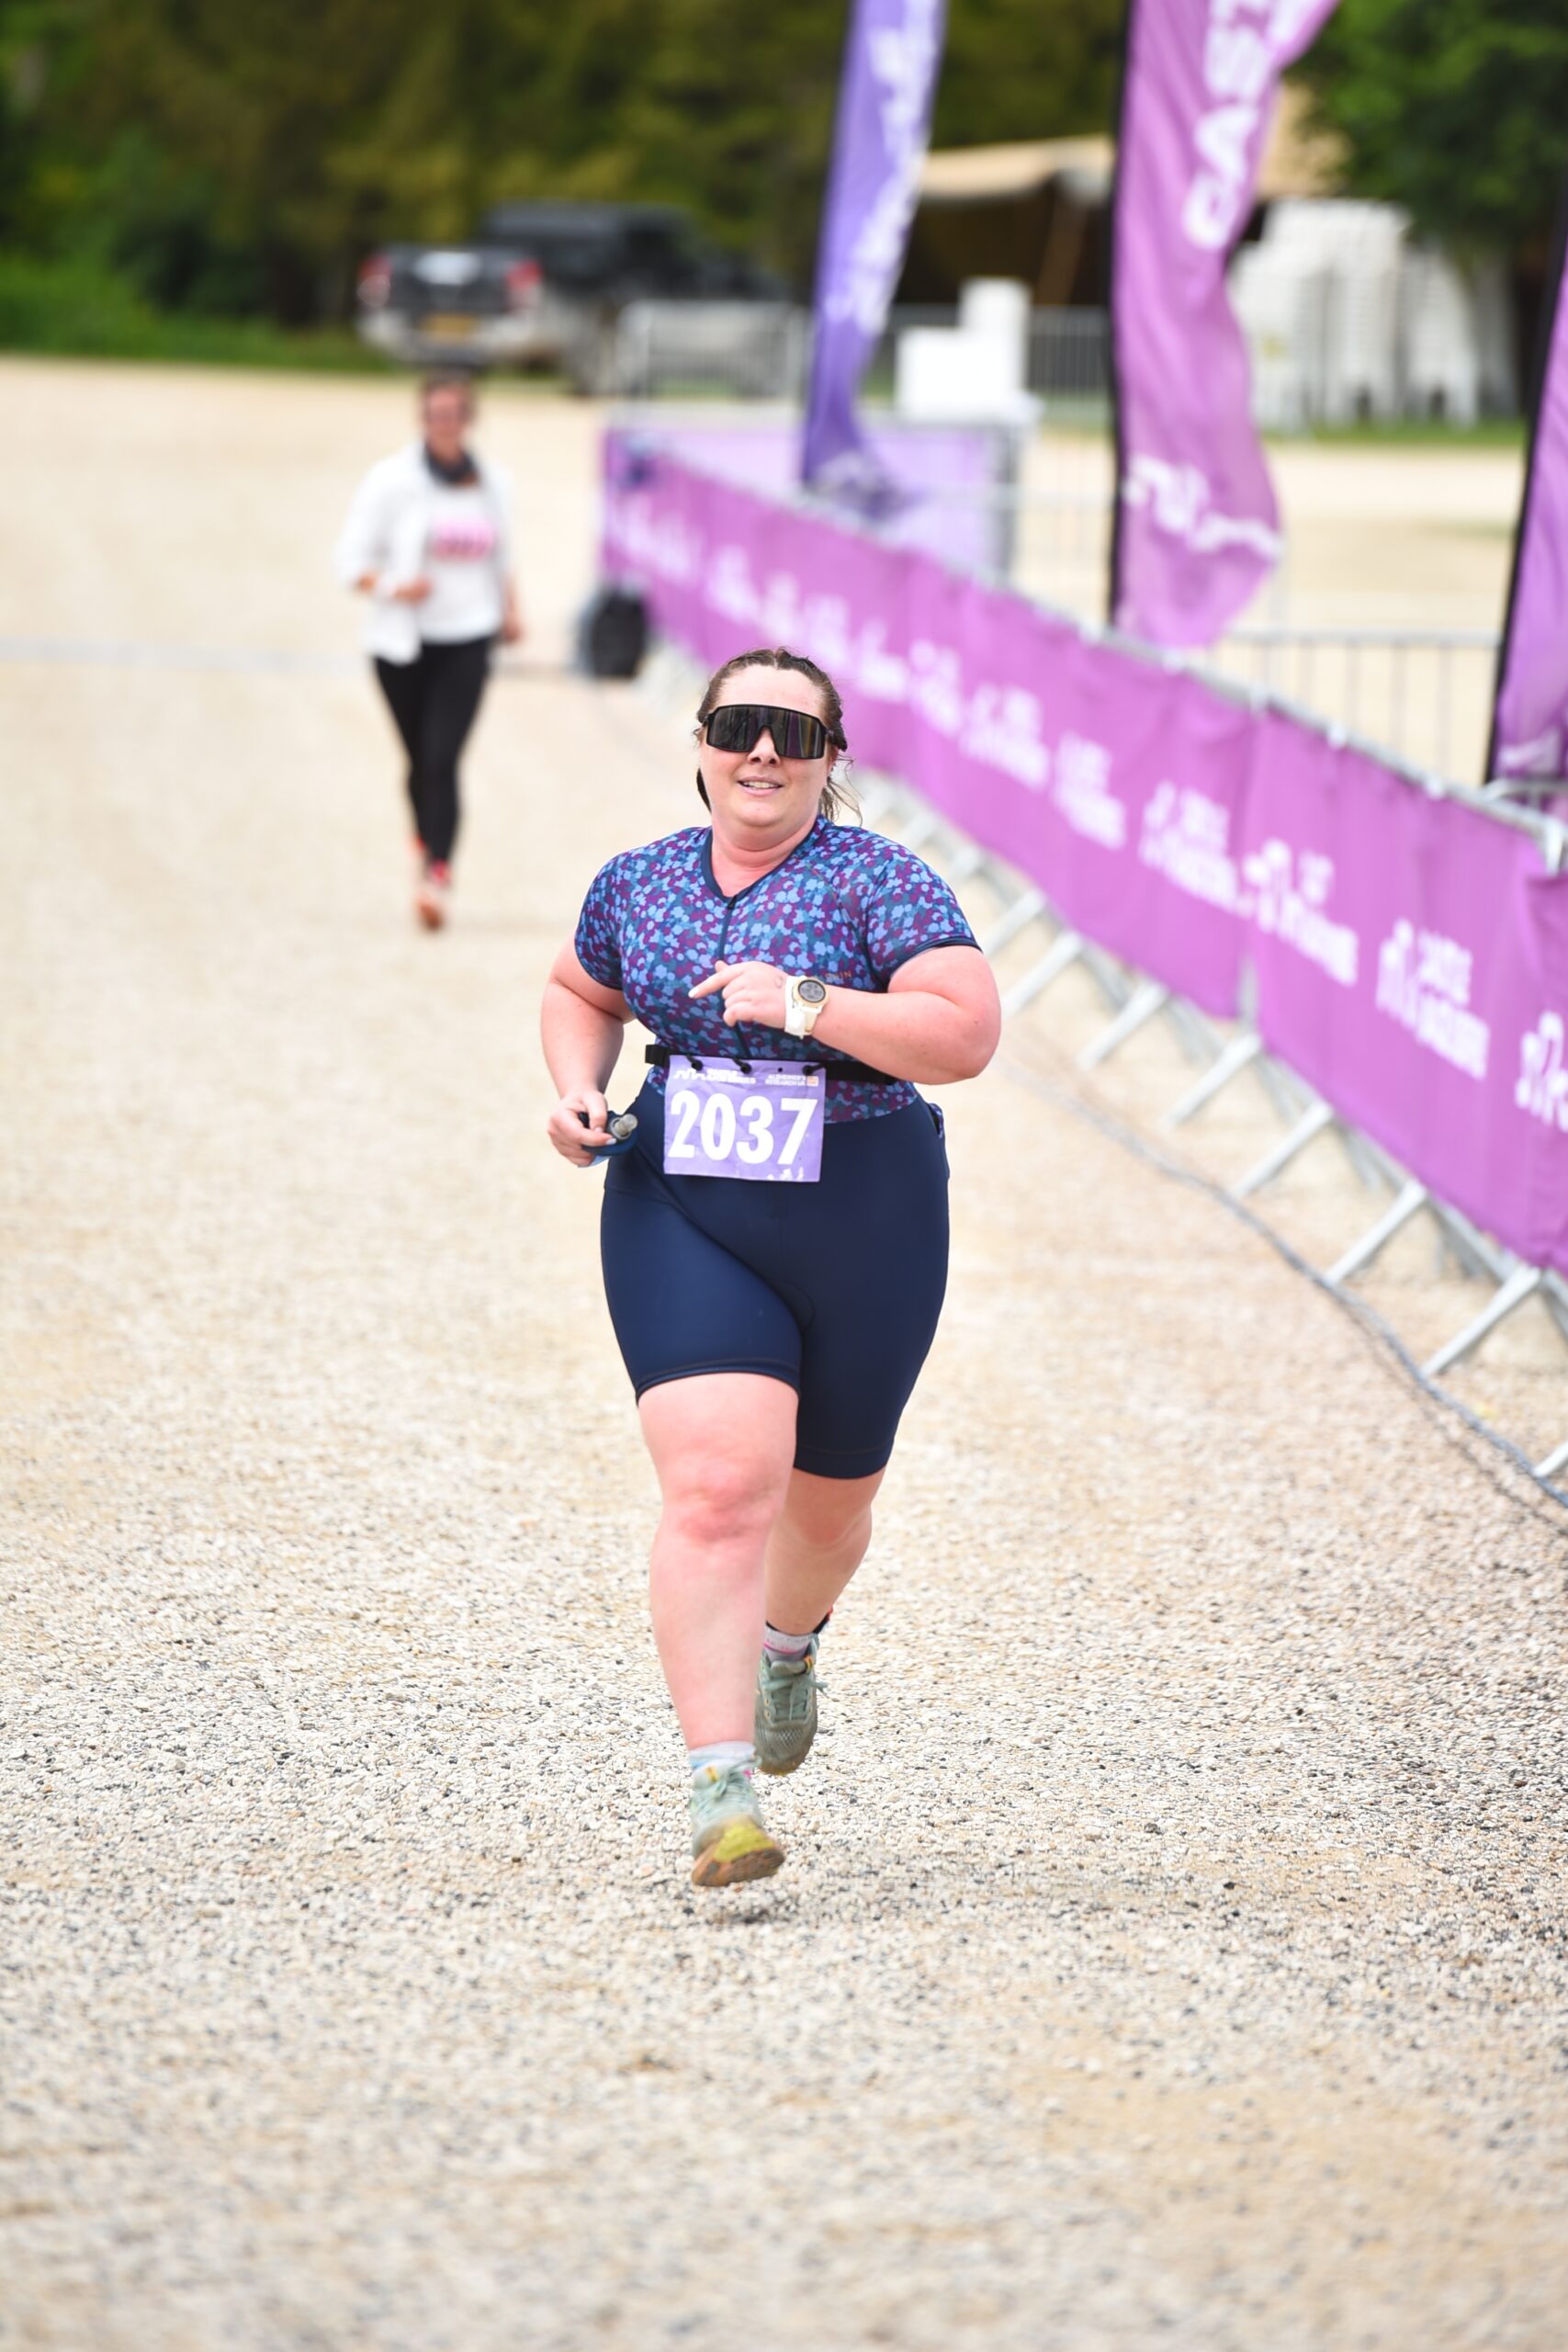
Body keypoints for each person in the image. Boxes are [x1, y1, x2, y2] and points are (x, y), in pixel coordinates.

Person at [541, 647, 1000, 1887]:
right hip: (682, 1200)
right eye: (738, 726)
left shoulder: (878, 881)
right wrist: (578, 1089)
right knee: (715, 1488)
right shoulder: (636, 883)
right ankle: (719, 1792)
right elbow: (577, 988)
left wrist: (799, 1002)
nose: (761, 753)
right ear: (698, 741)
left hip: (866, 1208)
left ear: (828, 760)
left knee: (827, 1504)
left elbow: (962, 1031)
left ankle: (787, 1642)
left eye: (791, 736)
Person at [335, 374, 523, 930]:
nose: (445, 425)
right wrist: (396, 585)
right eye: (435, 415)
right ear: (423, 420)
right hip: (402, 642)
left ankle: (436, 871)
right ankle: (426, 837)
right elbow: (348, 563)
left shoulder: (492, 483)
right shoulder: (392, 481)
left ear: (468, 419)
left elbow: (502, 555)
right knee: (418, 759)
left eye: (455, 415)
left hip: (469, 637)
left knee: (444, 757)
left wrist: (511, 610)